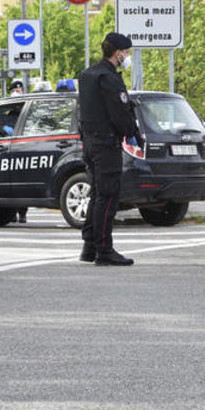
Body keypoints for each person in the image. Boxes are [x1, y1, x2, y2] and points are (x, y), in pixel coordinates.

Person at [76, 32, 143, 266]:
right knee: (108, 196)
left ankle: (89, 247)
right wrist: (132, 132)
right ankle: (104, 250)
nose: (127, 56)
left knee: (97, 194)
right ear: (118, 53)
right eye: (127, 53)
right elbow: (119, 112)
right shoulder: (109, 78)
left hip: (90, 143)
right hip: (106, 144)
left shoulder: (87, 75)